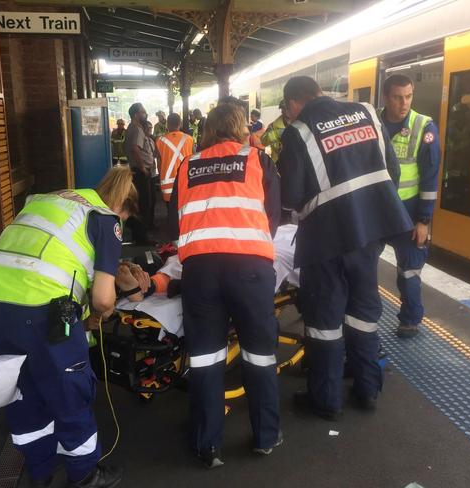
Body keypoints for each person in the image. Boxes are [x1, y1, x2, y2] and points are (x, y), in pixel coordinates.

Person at [0, 166, 139, 488]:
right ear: (123, 208)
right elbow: (104, 299)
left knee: (23, 389)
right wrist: (102, 312)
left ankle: (40, 471)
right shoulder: (106, 220)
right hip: (42, 311)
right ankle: (85, 475)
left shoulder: (48, 200)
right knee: (70, 391)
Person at [278, 76, 413, 417]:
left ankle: (326, 401)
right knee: (363, 313)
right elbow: (391, 171)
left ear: (294, 102)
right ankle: (367, 389)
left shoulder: (298, 131)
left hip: (325, 240)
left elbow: (292, 196)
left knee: (324, 320)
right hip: (369, 234)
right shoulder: (365, 112)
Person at [168, 103, 282, 468]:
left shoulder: (188, 165)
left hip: (200, 271)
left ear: (207, 131)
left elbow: (175, 224)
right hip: (251, 269)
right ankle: (265, 436)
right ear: (239, 128)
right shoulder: (258, 160)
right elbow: (273, 219)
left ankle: (207, 444)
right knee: (259, 354)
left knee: (205, 358)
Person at [380, 74, 441, 339]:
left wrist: (424, 221)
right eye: (397, 97)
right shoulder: (372, 123)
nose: (404, 103)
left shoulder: (424, 126)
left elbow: (429, 176)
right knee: (360, 266)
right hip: (377, 211)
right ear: (385, 97)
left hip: (408, 212)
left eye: (408, 96)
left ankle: (410, 319)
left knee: (409, 270)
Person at [124, 103, 155, 236]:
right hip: (140, 170)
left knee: (141, 201)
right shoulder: (136, 129)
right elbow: (135, 149)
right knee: (143, 203)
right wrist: (143, 168)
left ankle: (140, 231)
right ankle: (141, 235)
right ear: (136, 114)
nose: (145, 114)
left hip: (137, 169)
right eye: (143, 112)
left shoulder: (133, 128)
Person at [155, 113, 193, 202]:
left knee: (170, 211)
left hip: (167, 184)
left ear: (167, 124)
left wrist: (160, 177)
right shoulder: (189, 139)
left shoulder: (159, 140)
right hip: (185, 181)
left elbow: (159, 162)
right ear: (180, 124)